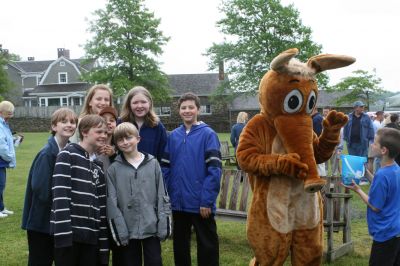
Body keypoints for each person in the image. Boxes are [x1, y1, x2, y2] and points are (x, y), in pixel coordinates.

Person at [161, 92, 222, 266]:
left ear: (198, 109)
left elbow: (215, 170)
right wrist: (167, 195)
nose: (187, 111)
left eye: (191, 107)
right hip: (178, 202)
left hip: (200, 204)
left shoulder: (208, 134)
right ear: (179, 111)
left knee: (207, 246)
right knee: (180, 246)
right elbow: (165, 168)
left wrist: (207, 201)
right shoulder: (173, 136)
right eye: (183, 108)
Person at [107, 122, 170, 266]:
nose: (125, 142)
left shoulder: (153, 164)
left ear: (138, 139)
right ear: (116, 144)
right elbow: (112, 203)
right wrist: (120, 232)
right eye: (120, 140)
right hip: (128, 230)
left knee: (154, 261)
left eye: (128, 138)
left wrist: (163, 224)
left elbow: (162, 195)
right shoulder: (113, 169)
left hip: (151, 226)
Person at [21, 108, 78, 266]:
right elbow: (41, 190)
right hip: (42, 222)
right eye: (64, 121)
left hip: (58, 221)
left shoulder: (70, 151)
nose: (69, 125)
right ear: (54, 126)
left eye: (73, 122)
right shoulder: (47, 154)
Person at [50, 115, 109, 266]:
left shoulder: (98, 167)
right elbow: (60, 196)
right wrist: (63, 236)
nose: (103, 136)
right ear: (84, 132)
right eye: (99, 132)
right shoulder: (67, 155)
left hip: (91, 237)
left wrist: (103, 245)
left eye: (106, 133)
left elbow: (102, 207)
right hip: (69, 237)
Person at [343, 127, 400, 266]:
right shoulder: (395, 169)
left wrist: (357, 190)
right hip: (396, 230)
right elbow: (385, 187)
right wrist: (367, 174)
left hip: (385, 233)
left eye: (374, 143)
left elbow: (375, 206)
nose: (371, 145)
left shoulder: (382, 174)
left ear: (383, 150)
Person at [120, 86, 167, 163]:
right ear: (129, 104)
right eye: (135, 102)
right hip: (125, 172)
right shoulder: (121, 123)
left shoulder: (158, 127)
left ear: (150, 103)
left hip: (150, 172)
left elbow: (163, 154)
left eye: (143, 102)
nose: (139, 106)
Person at [0, 100, 17, 218]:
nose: (9, 118)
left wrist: (15, 141)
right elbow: (1, 146)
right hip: (1, 160)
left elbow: (6, 140)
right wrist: (10, 156)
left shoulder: (4, 124)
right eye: (7, 115)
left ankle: (1, 208)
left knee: (1, 185)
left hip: (2, 162)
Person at [97, 106, 118, 171]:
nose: (108, 122)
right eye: (104, 120)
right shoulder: (92, 145)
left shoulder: (120, 146)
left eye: (112, 120)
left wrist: (113, 156)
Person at [312, 107, 326, 177]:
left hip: (317, 144)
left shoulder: (316, 119)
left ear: (314, 109)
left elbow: (317, 133)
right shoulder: (317, 117)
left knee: (319, 163)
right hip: (320, 144)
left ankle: (322, 179)